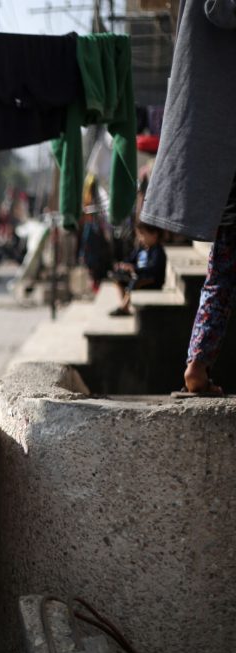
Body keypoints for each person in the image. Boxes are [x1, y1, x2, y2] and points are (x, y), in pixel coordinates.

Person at [140, 0, 236, 395]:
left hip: (221, 152)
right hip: (227, 143)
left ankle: (198, 362)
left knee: (224, 267)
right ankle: (196, 365)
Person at [108, 221, 167, 316]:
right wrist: (123, 265)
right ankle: (125, 305)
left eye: (142, 235)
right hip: (138, 276)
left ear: (154, 235)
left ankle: (124, 307)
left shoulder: (158, 252)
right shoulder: (141, 249)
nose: (140, 238)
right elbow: (131, 259)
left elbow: (153, 269)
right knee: (118, 278)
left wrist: (135, 269)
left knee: (135, 281)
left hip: (152, 281)